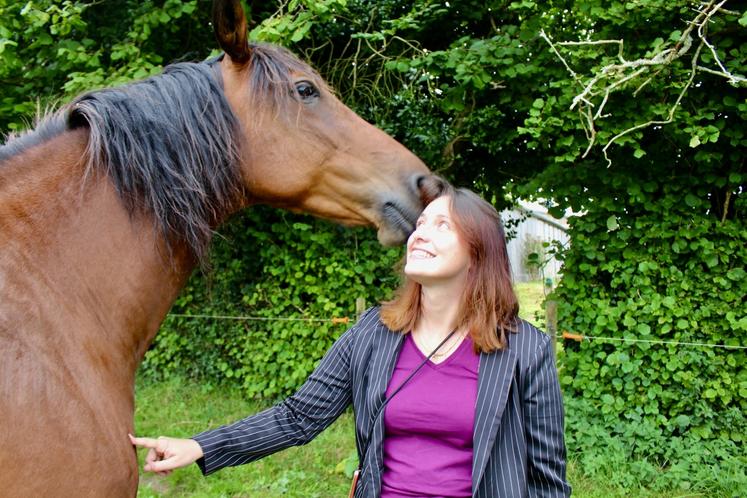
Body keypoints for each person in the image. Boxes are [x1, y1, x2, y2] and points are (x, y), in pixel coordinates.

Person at [130, 183, 572, 497]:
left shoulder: (524, 351)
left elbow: (547, 477)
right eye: (420, 223)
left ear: (478, 252)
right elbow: (298, 417)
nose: (419, 232)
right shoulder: (373, 334)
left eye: (441, 225)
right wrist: (202, 445)